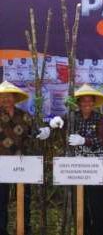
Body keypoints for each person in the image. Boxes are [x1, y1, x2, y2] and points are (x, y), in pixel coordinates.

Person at [0, 81, 50, 235]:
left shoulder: (24, 115)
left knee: (25, 198)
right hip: (2, 163)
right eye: (3, 97)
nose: (6, 100)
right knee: (1, 199)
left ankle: (24, 228)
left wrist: (43, 132)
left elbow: (34, 132)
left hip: (23, 162)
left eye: (9, 97)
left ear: (15, 98)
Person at [66, 84, 103, 235]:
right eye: (83, 101)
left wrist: (84, 141)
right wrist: (54, 124)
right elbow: (60, 125)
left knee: (97, 201)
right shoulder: (72, 117)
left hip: (94, 166)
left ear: (94, 103)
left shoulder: (99, 118)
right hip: (76, 166)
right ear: (78, 103)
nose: (87, 104)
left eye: (90, 101)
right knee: (79, 201)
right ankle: (83, 230)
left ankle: (99, 231)